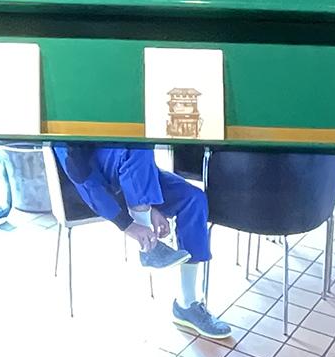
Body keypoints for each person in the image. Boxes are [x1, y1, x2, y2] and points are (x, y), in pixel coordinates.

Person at [50, 143, 232, 340]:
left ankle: (186, 304)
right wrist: (128, 224)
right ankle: (149, 247)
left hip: (132, 175)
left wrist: (148, 205)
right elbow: (82, 176)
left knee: (193, 200)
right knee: (137, 147)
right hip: (95, 186)